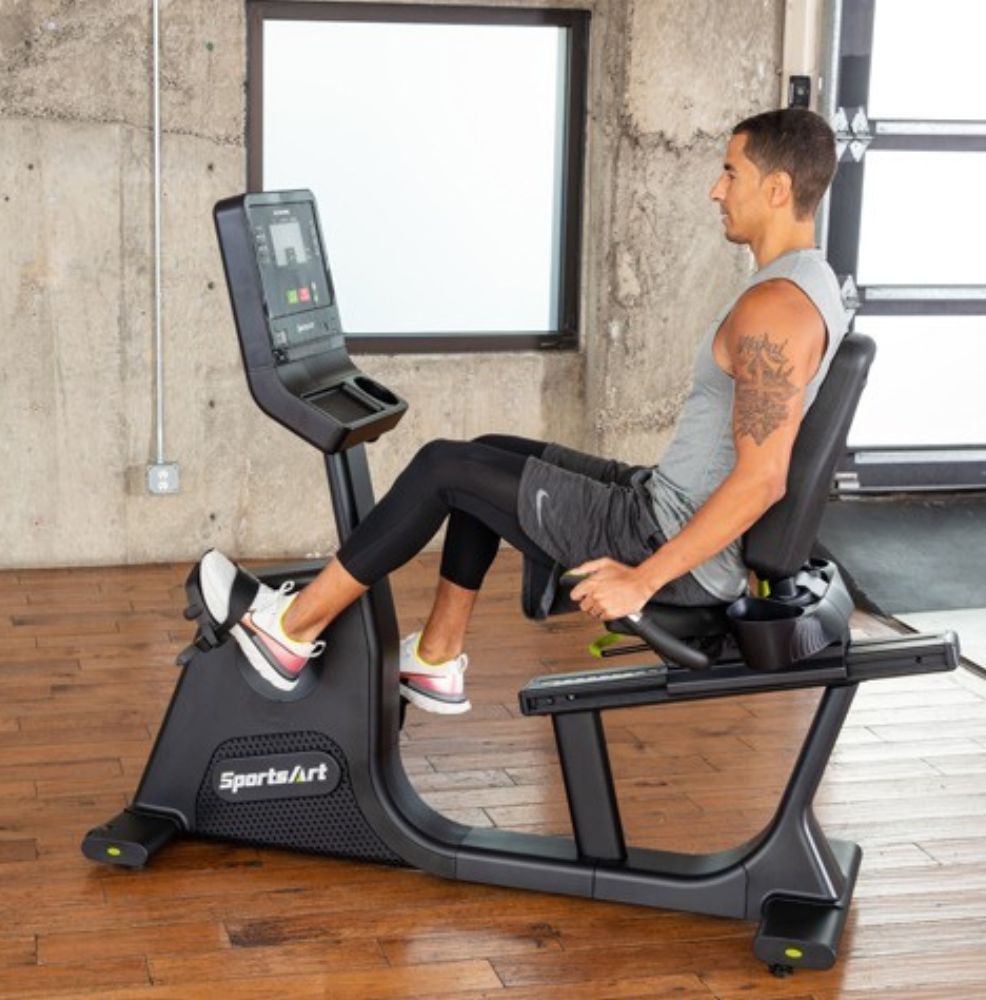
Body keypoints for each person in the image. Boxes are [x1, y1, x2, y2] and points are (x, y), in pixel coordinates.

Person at [198, 107, 847, 714]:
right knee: (487, 453)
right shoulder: (803, 283)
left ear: (777, 189)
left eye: (731, 172)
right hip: (658, 500)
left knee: (442, 469)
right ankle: (436, 656)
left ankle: (292, 630)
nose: (715, 189)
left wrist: (642, 580)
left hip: (663, 537)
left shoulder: (776, 311)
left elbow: (763, 478)